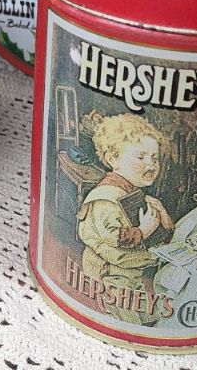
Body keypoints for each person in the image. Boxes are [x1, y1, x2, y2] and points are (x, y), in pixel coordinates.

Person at [77, 113, 174, 325]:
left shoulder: (132, 192)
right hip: (108, 272)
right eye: (141, 157)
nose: (151, 165)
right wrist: (142, 232)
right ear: (113, 159)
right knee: (129, 320)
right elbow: (113, 236)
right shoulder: (106, 197)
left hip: (129, 270)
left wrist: (163, 218)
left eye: (154, 159)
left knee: (151, 316)